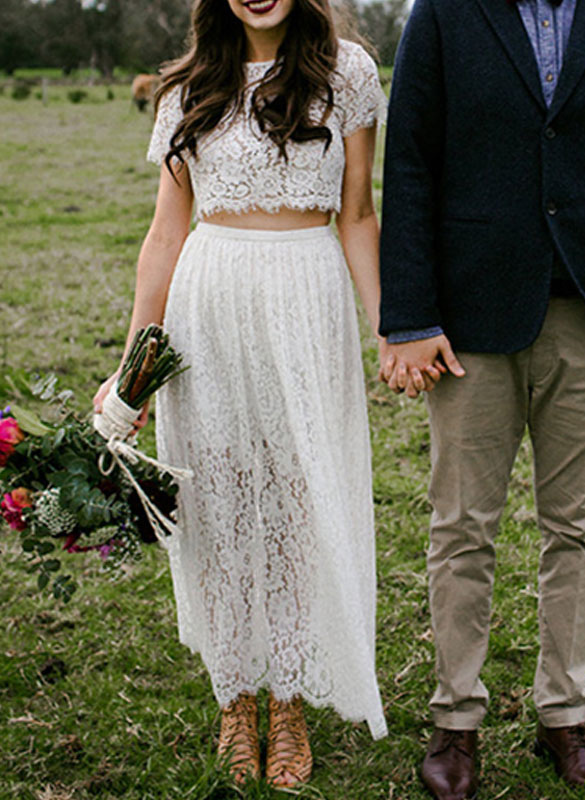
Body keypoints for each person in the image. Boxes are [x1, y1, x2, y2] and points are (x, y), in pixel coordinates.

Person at [94, 0, 389, 787]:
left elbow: (358, 214)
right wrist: (135, 364)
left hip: (308, 296)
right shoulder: (185, 89)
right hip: (210, 299)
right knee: (219, 497)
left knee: (295, 493)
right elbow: (165, 232)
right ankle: (236, 697)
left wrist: (391, 327)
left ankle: (288, 698)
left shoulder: (348, 74)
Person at [378, 0, 585, 797]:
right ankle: (456, 721)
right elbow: (408, 161)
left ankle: (566, 717)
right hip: (469, 319)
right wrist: (407, 315)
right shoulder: (443, 12)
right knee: (462, 527)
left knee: (579, 526)